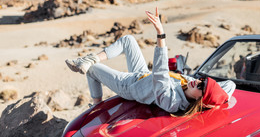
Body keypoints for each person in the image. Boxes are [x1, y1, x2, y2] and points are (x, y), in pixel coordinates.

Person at [65, 7, 235, 116]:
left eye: (201, 87)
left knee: (92, 70)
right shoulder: (190, 84)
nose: (197, 81)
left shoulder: (172, 101)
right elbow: (229, 85)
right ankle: (89, 58)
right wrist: (219, 98)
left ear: (200, 99)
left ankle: (96, 106)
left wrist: (161, 35)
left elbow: (160, 74)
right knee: (128, 40)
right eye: (202, 80)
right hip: (142, 75)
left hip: (129, 86)